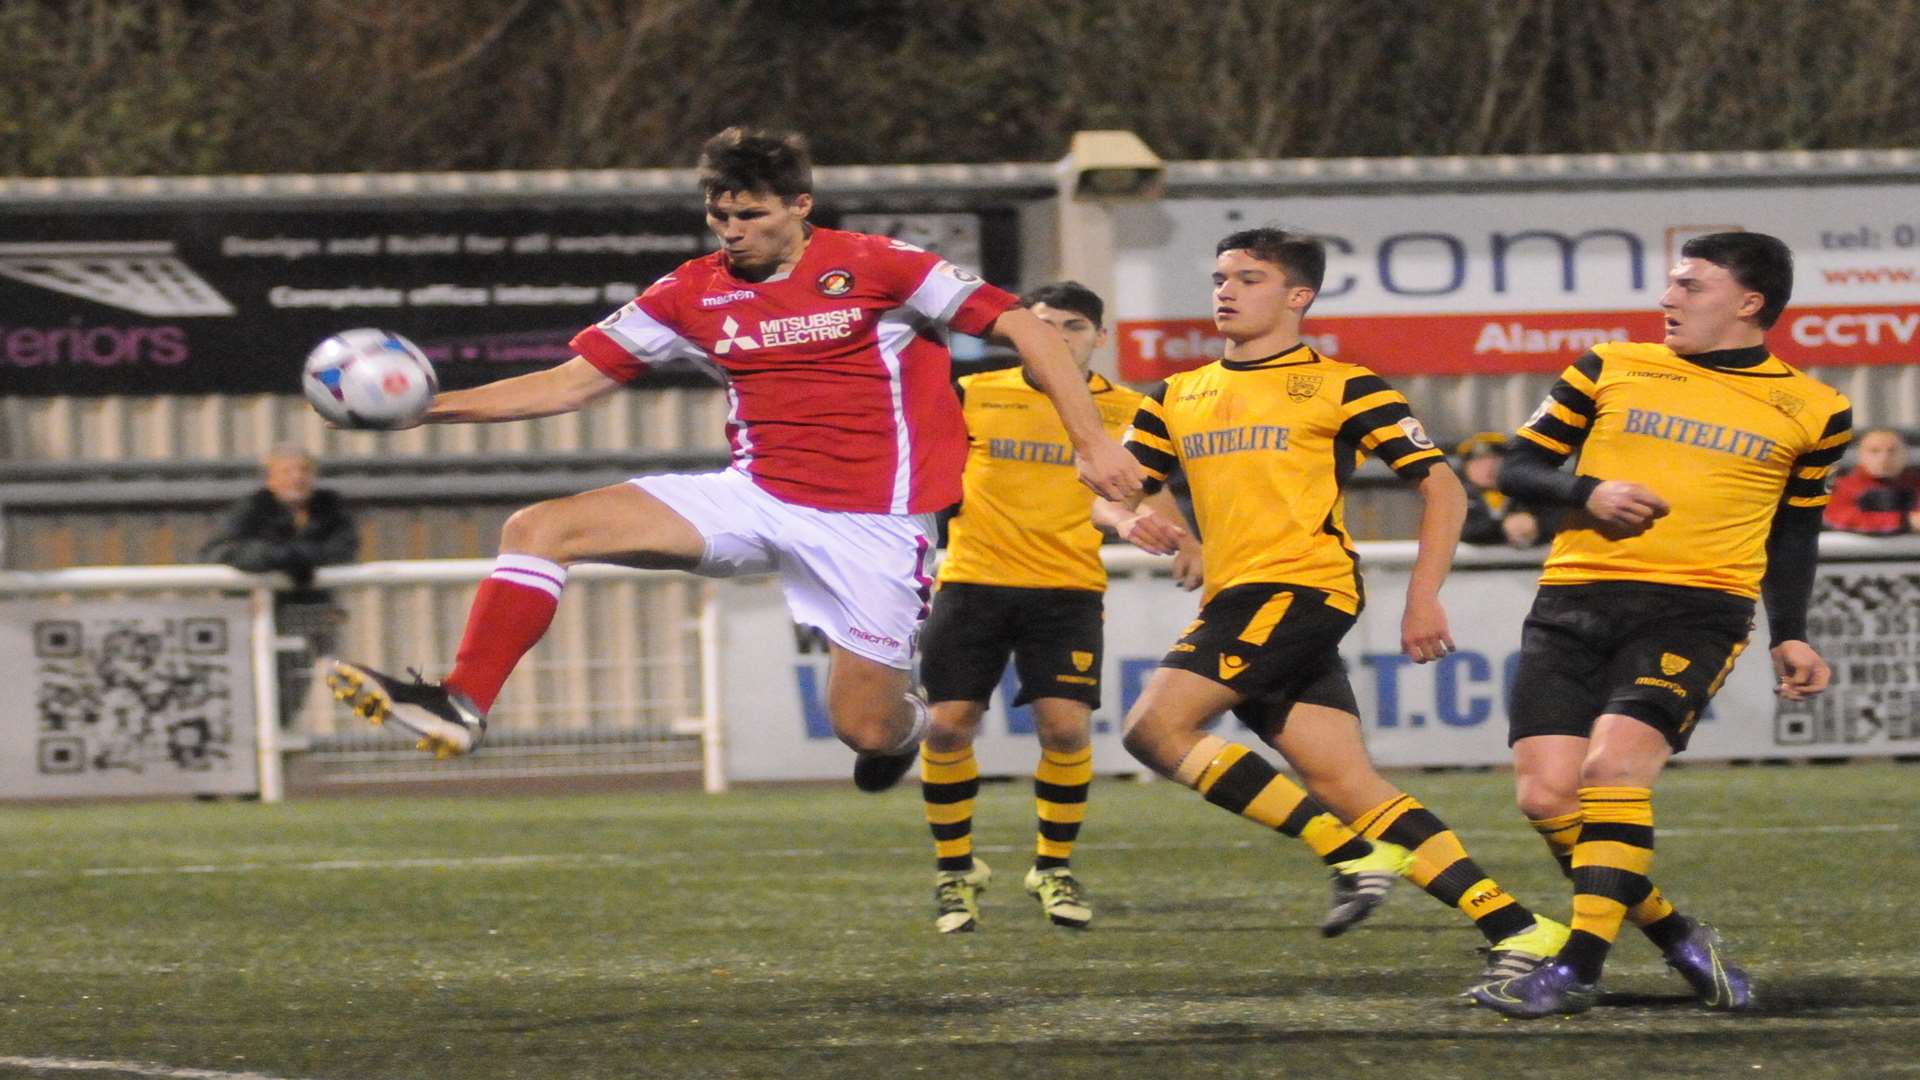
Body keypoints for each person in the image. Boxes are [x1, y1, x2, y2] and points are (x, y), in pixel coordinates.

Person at [326, 128, 1142, 791]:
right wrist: (430, 408)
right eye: (719, 215)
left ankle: (912, 726)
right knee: (539, 527)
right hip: (753, 497)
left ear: (800, 205)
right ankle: (461, 702)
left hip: (876, 527)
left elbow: (1027, 328)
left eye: (749, 215)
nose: (731, 230)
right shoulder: (691, 291)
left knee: (866, 726)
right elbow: (574, 384)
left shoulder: (882, 267)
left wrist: (1093, 443)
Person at [1103, 227, 1568, 991]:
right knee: (1349, 785)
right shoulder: (1176, 395)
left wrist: (1423, 597)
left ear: (1298, 297)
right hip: (1241, 597)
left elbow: (1442, 487)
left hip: (1299, 587)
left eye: (1248, 278)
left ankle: (1347, 853)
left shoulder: (1344, 385)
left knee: (1154, 728)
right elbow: (1110, 496)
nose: (1225, 290)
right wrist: (1132, 521)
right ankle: (1518, 926)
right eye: (1220, 277)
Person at [1470, 231, 1851, 1018]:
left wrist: (1791, 630)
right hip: (1574, 599)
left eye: (1689, 285)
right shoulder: (1609, 365)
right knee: (1547, 799)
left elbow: (1796, 528)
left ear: (1749, 302)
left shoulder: (1816, 408)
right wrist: (1588, 492)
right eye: (1670, 285)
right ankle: (1677, 936)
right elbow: (1516, 467)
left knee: (1612, 774)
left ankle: (1576, 969)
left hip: (1696, 610)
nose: (1667, 299)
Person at [912, 281, 1202, 933]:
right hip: (973, 582)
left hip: (1067, 588)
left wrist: (1178, 535)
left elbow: (1144, 484)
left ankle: (1052, 866)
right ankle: (956, 872)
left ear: (1100, 337)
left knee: (1065, 729)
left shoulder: (1129, 408)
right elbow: (921, 468)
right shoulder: (975, 393)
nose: (1057, 337)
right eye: (1041, 325)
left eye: (1073, 326)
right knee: (947, 725)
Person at [201, 444, 359, 727]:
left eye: (304, 470)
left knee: (292, 691)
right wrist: (290, 561)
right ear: (270, 478)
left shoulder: (329, 509)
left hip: (307, 619)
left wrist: (293, 560)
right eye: (287, 471)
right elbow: (219, 552)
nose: (297, 478)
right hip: (258, 617)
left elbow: (344, 550)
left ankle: (279, 751)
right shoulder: (252, 509)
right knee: (252, 689)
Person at [1457, 434, 1560, 548]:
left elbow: (1561, 519)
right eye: (1478, 464)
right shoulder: (1452, 496)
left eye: (1494, 461)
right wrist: (1501, 528)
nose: (1487, 468)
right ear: (1465, 468)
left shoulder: (1532, 490)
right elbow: (1455, 529)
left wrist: (1537, 526)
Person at [1823, 427, 1920, 535]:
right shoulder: (1842, 487)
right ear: (1860, 456)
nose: (1884, 458)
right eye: (1874, 451)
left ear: (1905, 454)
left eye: (1892, 451)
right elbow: (1841, 518)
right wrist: (1904, 521)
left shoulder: (1915, 485)